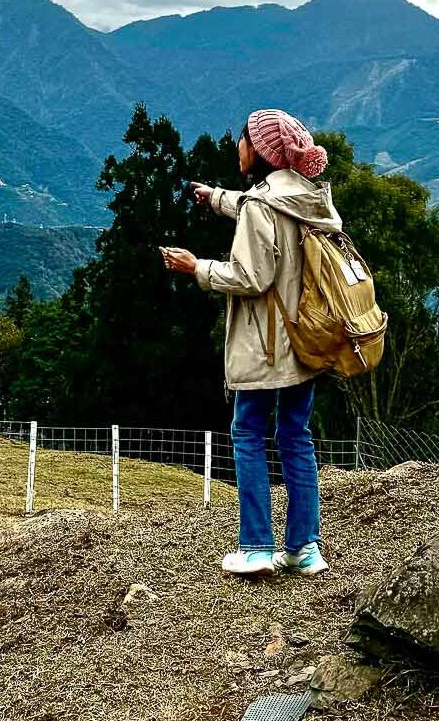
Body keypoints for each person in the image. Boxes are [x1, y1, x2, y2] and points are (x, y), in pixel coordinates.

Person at [160, 108, 340, 578]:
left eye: (242, 139)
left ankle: (257, 547)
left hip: (265, 345)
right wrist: (217, 198)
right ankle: (305, 548)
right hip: (308, 340)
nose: (237, 146)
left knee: (247, 433)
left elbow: (249, 275)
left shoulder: (262, 207)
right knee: (296, 436)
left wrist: (194, 266)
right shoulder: (311, 197)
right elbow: (260, 208)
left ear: (259, 151)